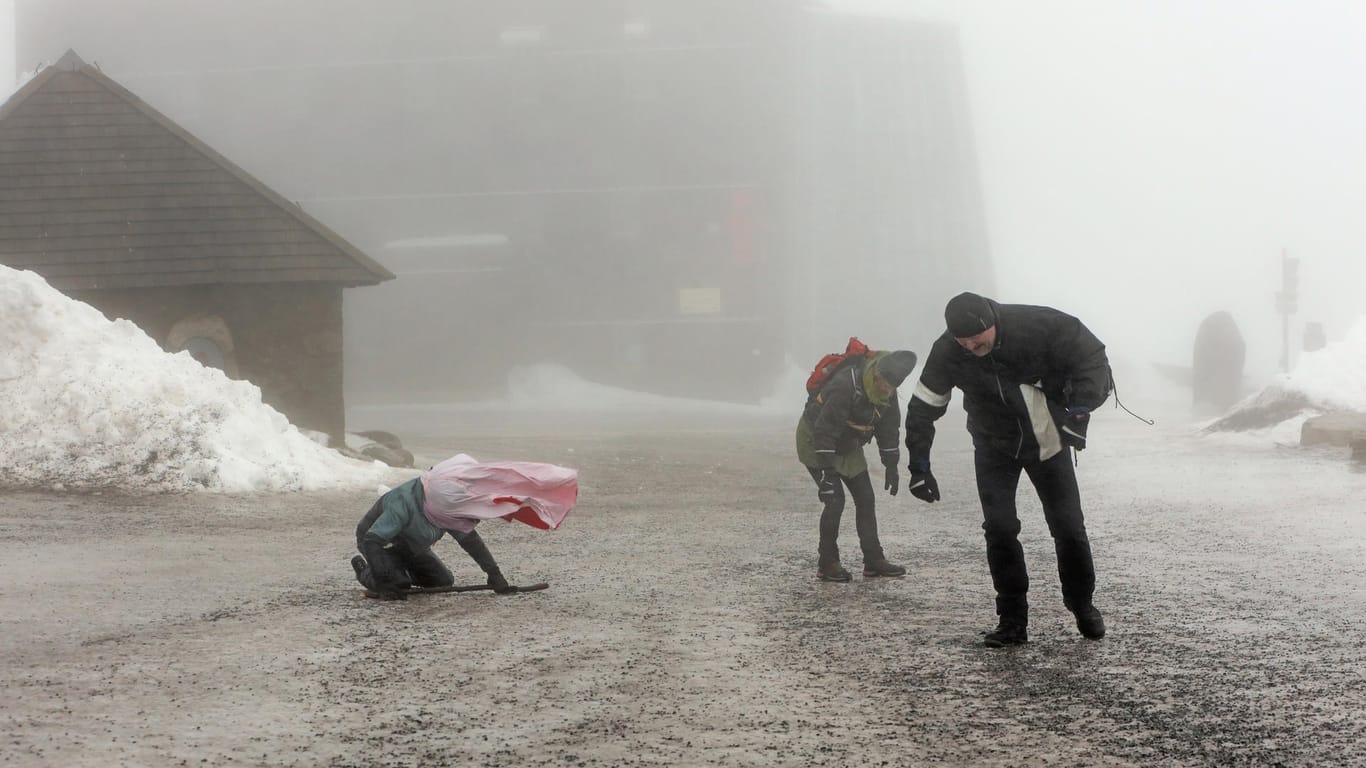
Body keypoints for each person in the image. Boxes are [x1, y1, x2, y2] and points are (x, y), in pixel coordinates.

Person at [904, 292, 1111, 647]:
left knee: (1068, 527)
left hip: (1045, 439)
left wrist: (1079, 408)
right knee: (999, 529)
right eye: (962, 341)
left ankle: (1081, 603)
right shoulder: (948, 352)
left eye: (977, 338)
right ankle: (1012, 620)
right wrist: (919, 464)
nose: (970, 347)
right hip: (992, 444)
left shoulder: (1036, 325)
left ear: (992, 323)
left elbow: (1091, 356)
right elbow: (925, 405)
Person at [351, 453, 578, 599]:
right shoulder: (402, 504)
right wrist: (383, 579)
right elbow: (373, 540)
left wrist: (494, 575)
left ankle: (398, 570)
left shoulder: (449, 508)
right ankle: (366, 570)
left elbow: (471, 543)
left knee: (443, 581)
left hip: (412, 547)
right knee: (396, 583)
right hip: (378, 543)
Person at [797, 348, 918, 582]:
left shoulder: (888, 391)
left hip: (847, 443)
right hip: (816, 440)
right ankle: (827, 563)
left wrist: (891, 465)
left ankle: (874, 561)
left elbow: (889, 428)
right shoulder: (846, 386)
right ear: (876, 374)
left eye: (894, 387)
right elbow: (824, 431)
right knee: (835, 500)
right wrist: (826, 475)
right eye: (886, 385)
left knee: (865, 498)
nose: (889, 391)